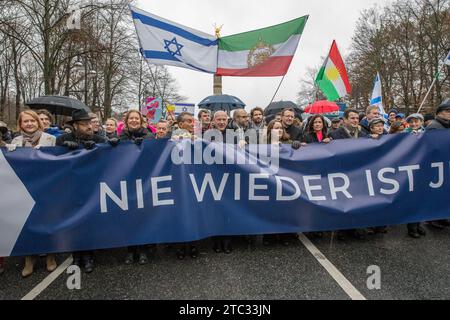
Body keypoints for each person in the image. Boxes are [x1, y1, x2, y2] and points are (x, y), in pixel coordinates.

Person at [7, 110, 58, 277]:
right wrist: (9, 153)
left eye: (32, 121)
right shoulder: (15, 141)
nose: (29, 124)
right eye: (25, 121)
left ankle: (50, 256)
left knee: (48, 221)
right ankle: (30, 258)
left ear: (38, 122)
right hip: (25, 189)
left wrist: (45, 153)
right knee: (28, 223)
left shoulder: (50, 139)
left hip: (47, 187)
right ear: (20, 124)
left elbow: (59, 163)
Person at [57, 110, 108, 273]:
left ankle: (88, 255)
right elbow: (54, 162)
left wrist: (105, 147)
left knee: (88, 221)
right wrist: (65, 149)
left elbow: (110, 158)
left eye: (90, 123)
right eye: (85, 124)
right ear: (75, 126)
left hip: (92, 186)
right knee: (74, 222)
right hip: (70, 187)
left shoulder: (99, 139)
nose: (89, 126)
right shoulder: (63, 139)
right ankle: (76, 255)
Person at [330, 109, 368, 240]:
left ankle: (355, 228)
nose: (355, 120)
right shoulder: (334, 135)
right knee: (343, 202)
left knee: (358, 201)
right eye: (352, 118)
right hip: (342, 174)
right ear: (344, 120)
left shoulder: (364, 134)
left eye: (357, 118)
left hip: (359, 173)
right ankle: (342, 230)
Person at [425, 98, 450, 229]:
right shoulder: (434, 126)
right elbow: (433, 147)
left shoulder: (445, 125)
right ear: (440, 113)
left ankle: (442, 216)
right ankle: (433, 219)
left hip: (444, 164)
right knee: (436, 193)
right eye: (447, 111)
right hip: (435, 165)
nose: (449, 113)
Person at [402, 114, 427, 238]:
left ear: (421, 122)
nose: (414, 124)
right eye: (411, 122)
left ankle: (419, 224)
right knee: (412, 199)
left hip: (423, 169)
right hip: (410, 170)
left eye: (416, 122)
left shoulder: (427, 133)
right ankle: (411, 227)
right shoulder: (404, 134)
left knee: (421, 199)